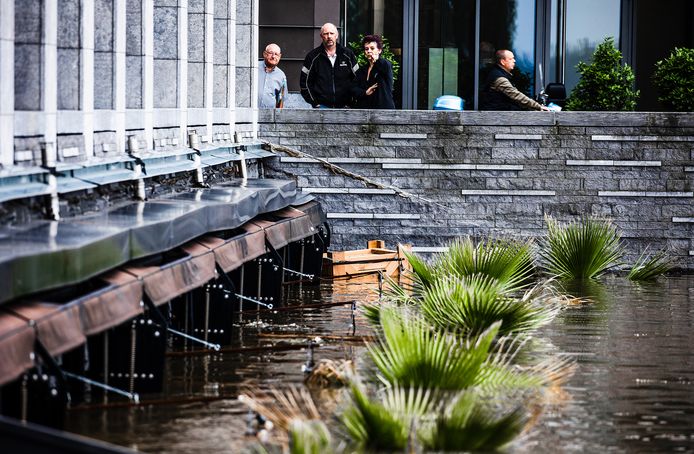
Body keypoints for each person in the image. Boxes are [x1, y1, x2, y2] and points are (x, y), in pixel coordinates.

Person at [300, 23, 358, 108]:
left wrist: (352, 101)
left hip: (345, 107)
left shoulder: (348, 55)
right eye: (326, 34)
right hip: (322, 107)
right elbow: (304, 82)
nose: (329, 36)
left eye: (332, 33)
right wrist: (314, 102)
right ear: (321, 36)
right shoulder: (312, 57)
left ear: (337, 35)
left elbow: (358, 79)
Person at [480, 49, 549, 111]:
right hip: (496, 118)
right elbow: (516, 95)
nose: (514, 61)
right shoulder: (499, 78)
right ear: (503, 62)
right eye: (511, 59)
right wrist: (537, 106)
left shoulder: (501, 75)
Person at [352, 34, 395, 109]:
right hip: (366, 111)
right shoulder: (362, 70)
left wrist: (376, 60)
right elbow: (353, 88)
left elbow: (385, 66)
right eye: (366, 49)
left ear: (379, 50)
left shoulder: (385, 65)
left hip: (383, 111)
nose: (369, 51)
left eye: (372, 48)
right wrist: (365, 92)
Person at [258, 43, 286, 108]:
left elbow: (280, 100)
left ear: (279, 56)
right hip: (250, 113)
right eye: (271, 53)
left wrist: (278, 116)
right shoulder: (254, 68)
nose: (273, 56)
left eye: (276, 54)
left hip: (269, 115)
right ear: (264, 54)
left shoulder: (281, 75)